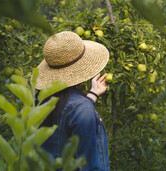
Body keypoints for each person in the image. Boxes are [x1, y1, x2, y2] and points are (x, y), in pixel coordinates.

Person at [35, 31, 110, 171]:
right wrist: (87, 103)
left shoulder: (42, 102)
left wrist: (92, 94)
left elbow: (67, 120)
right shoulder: (80, 107)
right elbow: (90, 165)